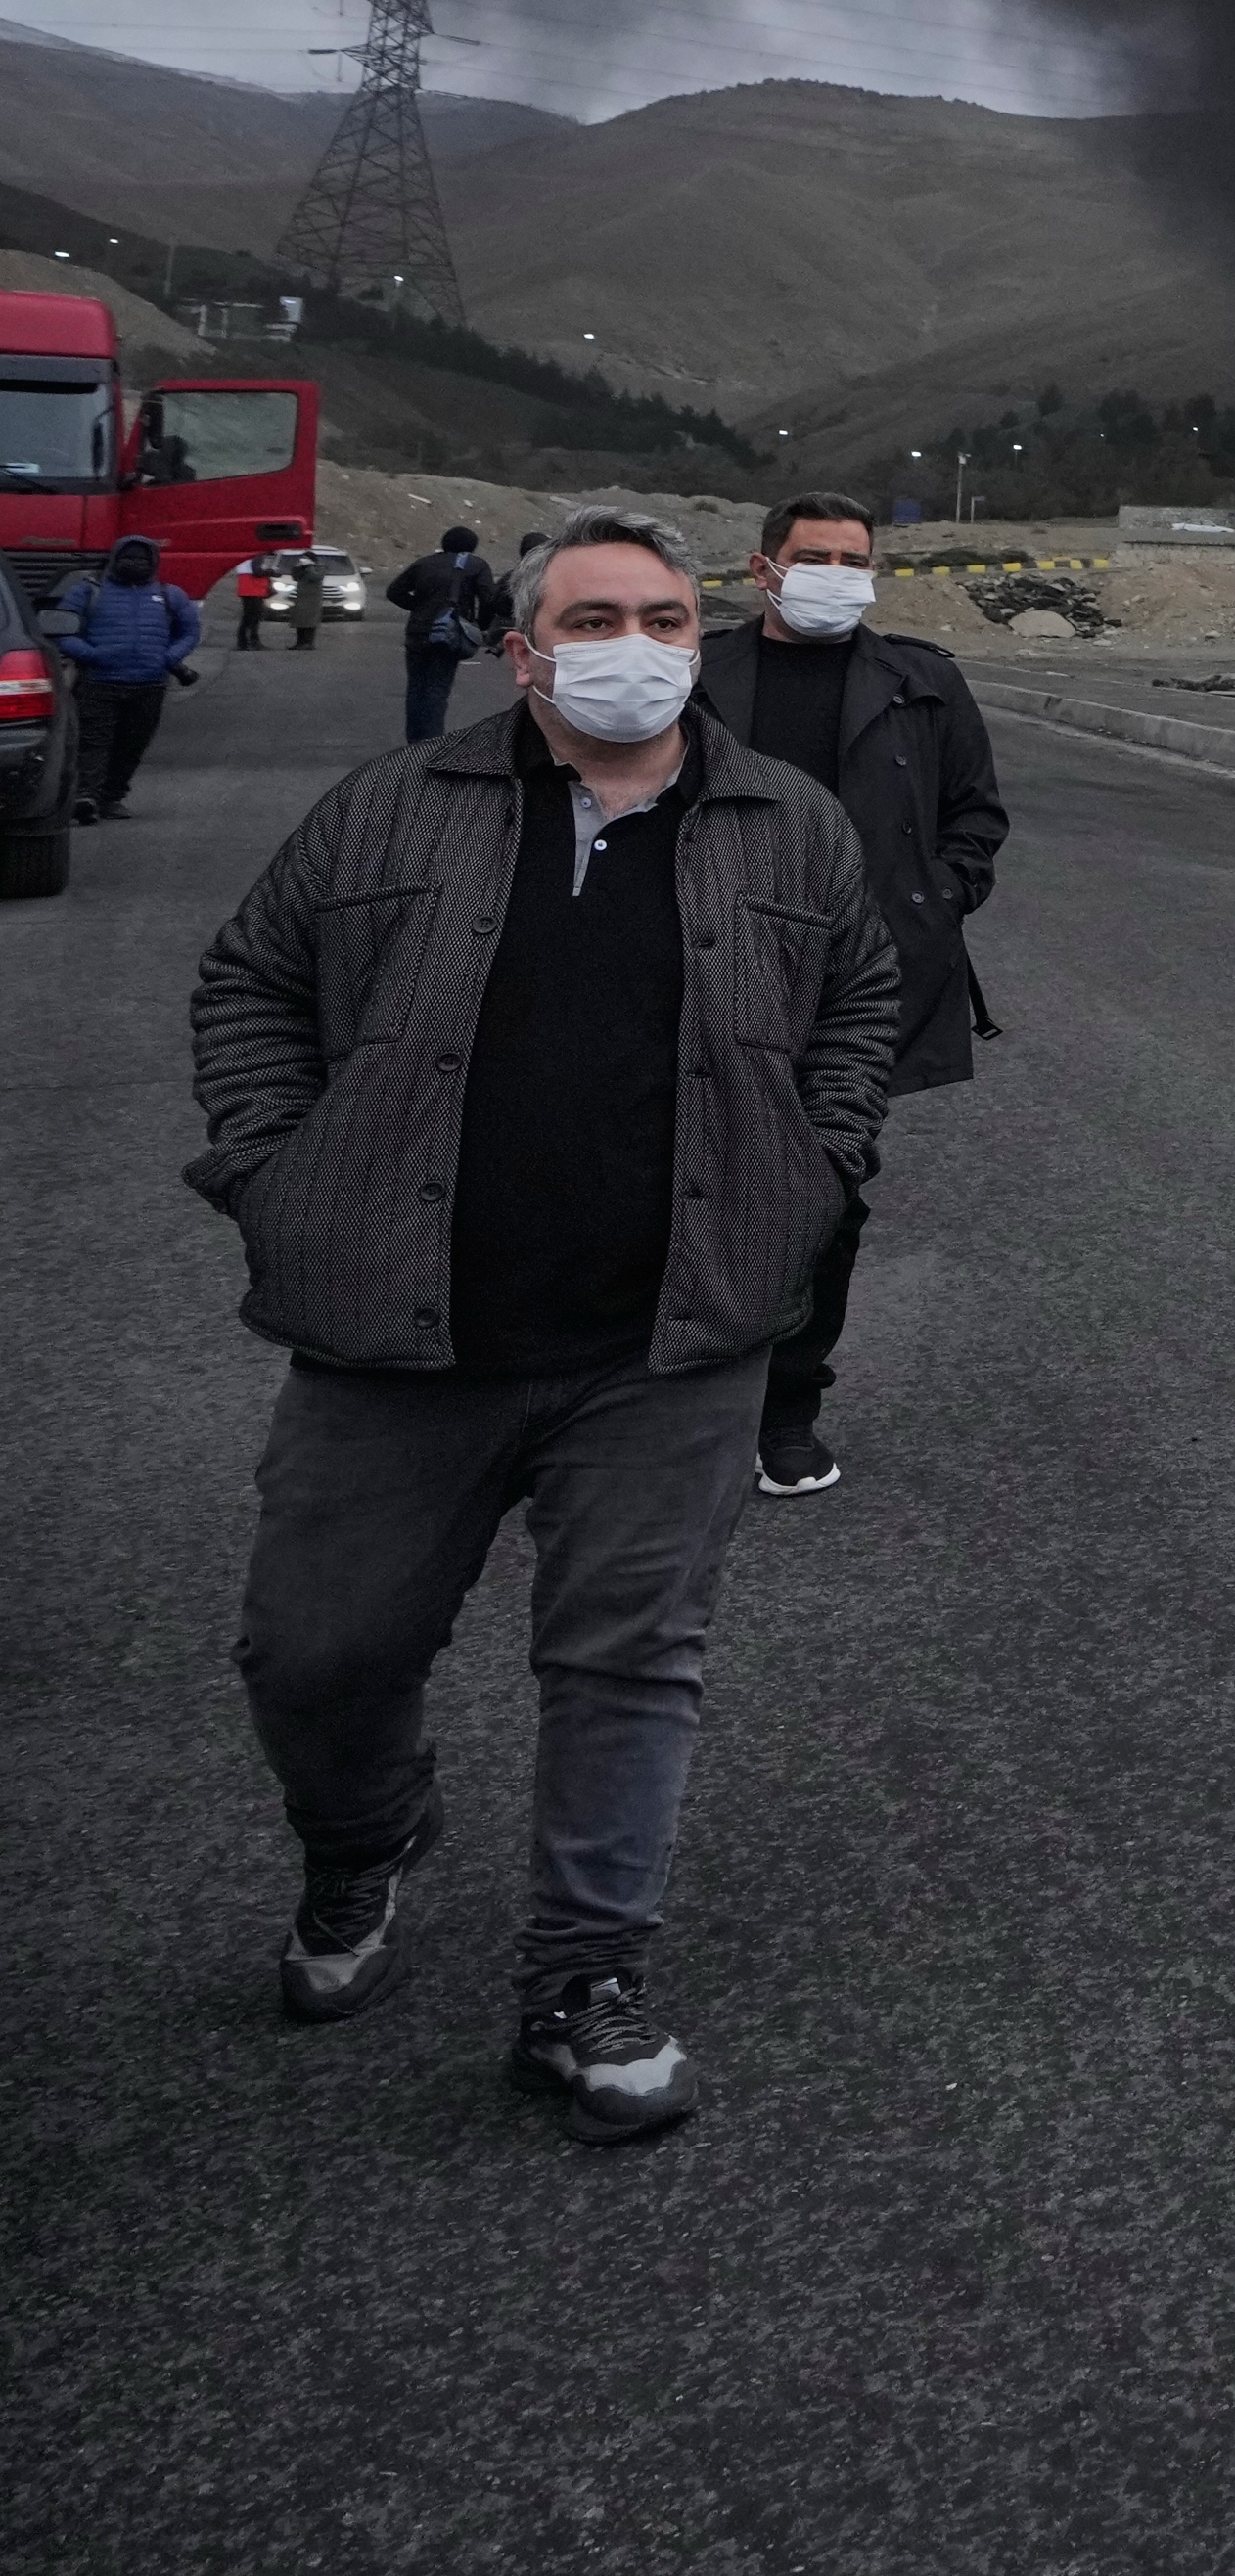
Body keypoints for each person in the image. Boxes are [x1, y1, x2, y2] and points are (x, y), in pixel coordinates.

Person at [183, 509, 903, 2142]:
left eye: (662, 616)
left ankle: (583, 1981)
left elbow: (862, 996)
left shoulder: (785, 828)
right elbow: (249, 979)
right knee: (318, 1651)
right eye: (594, 619)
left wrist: (819, 1160)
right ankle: (365, 1837)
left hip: (671, 1338)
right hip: (400, 1335)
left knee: (629, 1666)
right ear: (522, 652)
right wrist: (275, 1169)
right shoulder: (387, 807)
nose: (634, 648)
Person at [711, 492, 1004, 1497]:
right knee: (685, 1181)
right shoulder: (699, 673)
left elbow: (976, 814)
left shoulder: (920, 683)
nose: (836, 571)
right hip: (708, 967)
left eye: (853, 557)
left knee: (825, 1197)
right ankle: (668, 1400)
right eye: (814, 556)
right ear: (764, 570)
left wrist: (937, 899)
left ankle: (787, 1409)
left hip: (859, 988)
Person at [60, 527, 202, 819]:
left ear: (153, 562)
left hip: (150, 685)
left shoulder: (169, 595)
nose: (134, 563)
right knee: (93, 743)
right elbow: (62, 630)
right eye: (128, 557)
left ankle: (111, 799)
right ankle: (86, 797)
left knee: (132, 746)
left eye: (141, 559)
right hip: (99, 683)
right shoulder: (87, 591)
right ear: (114, 559)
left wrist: (168, 658)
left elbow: (190, 631)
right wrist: (93, 655)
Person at [387, 523, 493, 745]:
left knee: (416, 688)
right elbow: (488, 600)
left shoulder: (424, 562)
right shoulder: (477, 565)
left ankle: (414, 741)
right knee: (437, 688)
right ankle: (432, 743)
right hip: (448, 633)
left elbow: (394, 591)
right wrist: (478, 626)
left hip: (417, 631)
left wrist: (419, 607)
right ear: (472, 546)